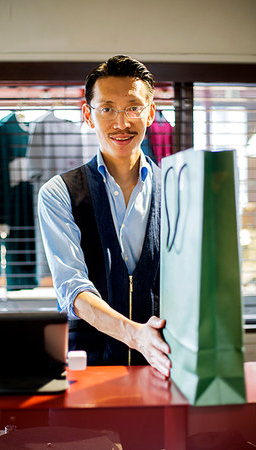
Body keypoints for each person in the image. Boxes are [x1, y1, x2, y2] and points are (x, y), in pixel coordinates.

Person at [38, 55, 171, 379]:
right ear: (88, 115)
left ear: (150, 112)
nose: (121, 123)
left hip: (163, 370)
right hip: (86, 372)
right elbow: (73, 289)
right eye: (107, 108)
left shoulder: (176, 191)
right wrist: (136, 335)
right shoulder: (59, 193)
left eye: (133, 107)